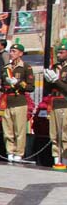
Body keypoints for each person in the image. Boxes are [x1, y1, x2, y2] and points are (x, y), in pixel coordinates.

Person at [0, 39, 34, 162]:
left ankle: (19, 152)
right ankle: (9, 151)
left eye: (14, 51)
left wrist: (18, 83)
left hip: (19, 102)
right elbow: (4, 86)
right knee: (7, 130)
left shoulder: (25, 68)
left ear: (20, 53)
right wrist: (0, 88)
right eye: (11, 51)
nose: (11, 53)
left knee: (19, 130)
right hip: (7, 101)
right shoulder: (6, 68)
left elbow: (30, 87)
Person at [43, 40, 67, 170]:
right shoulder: (55, 67)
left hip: (65, 103)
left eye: (62, 52)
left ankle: (65, 158)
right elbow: (48, 88)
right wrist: (48, 81)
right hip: (54, 103)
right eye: (58, 52)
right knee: (54, 133)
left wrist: (56, 81)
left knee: (64, 133)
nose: (59, 54)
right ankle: (56, 158)